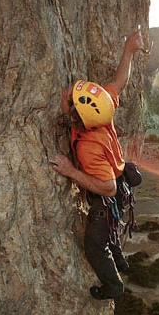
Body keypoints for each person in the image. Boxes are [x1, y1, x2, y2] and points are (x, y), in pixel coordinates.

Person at [48, 31, 144, 300]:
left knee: (94, 244)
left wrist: (69, 171)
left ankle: (114, 286)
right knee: (111, 228)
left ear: (80, 116)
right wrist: (128, 50)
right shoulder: (103, 108)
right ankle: (121, 263)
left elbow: (107, 187)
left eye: (73, 102)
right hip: (121, 181)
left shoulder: (88, 146)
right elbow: (119, 82)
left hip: (109, 193)